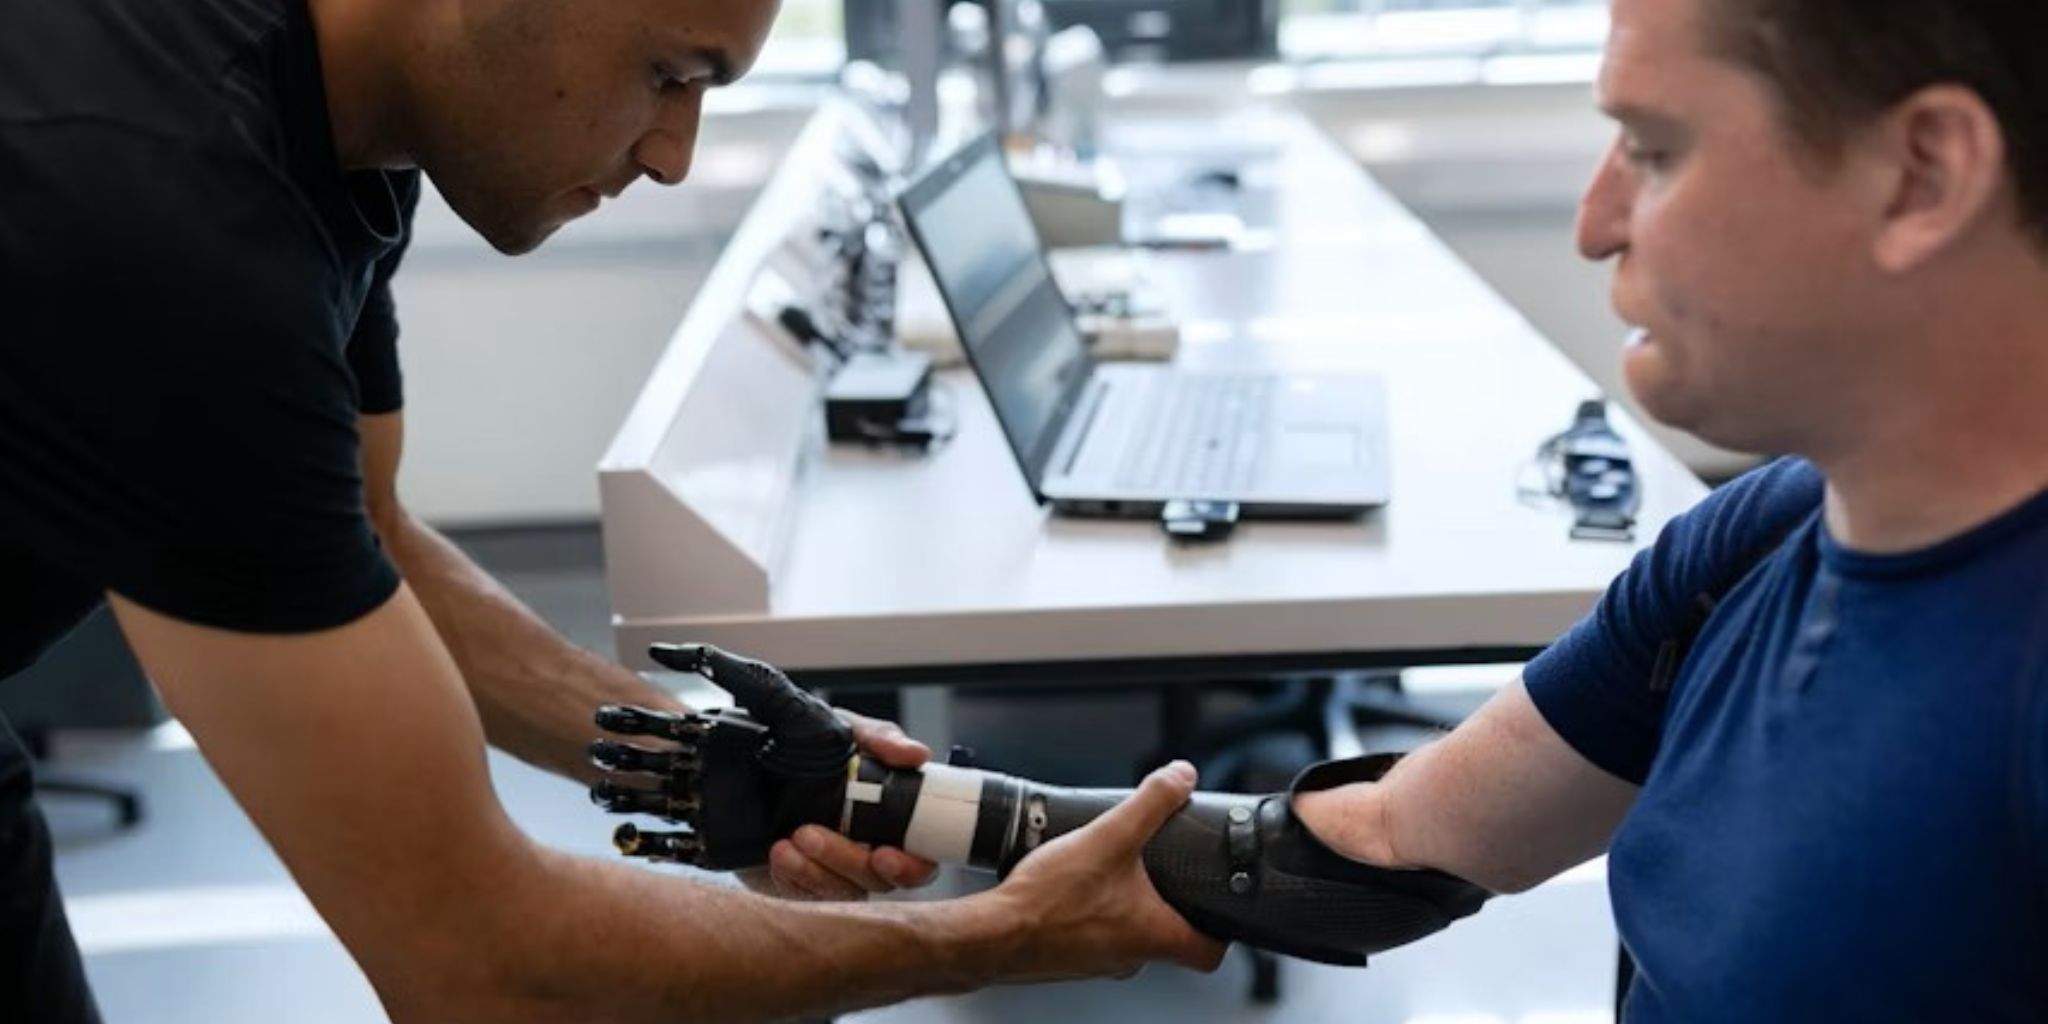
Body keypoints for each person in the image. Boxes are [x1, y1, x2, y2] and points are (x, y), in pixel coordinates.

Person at [0, 0, 1221, 1019]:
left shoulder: (336, 116)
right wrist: (1001, 934)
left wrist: (706, 763)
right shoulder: (164, 210)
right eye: (665, 73)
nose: (673, 154)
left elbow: (368, 535)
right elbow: (477, 963)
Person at [1293, 0, 2048, 1018]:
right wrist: (1008, 834)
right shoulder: (1766, 533)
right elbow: (1388, 835)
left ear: (1921, 175)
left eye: (1650, 151)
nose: (1594, 223)